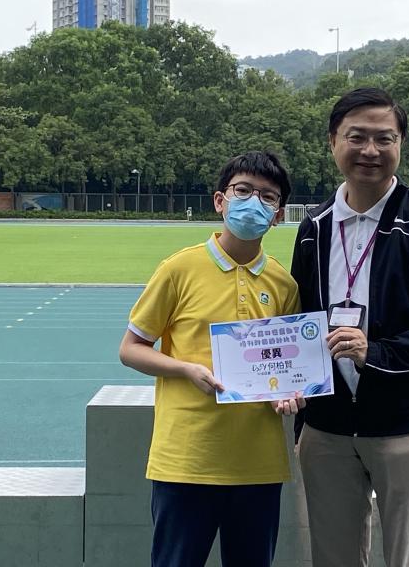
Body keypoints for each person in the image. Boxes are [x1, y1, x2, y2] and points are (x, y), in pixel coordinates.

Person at [290, 88, 409, 567]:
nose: (370, 150)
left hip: (402, 425)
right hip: (325, 427)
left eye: (383, 139)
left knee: (408, 557)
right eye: (357, 137)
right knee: (332, 556)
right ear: (333, 142)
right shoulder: (313, 227)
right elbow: (300, 318)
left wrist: (378, 353)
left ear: (400, 145)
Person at [119, 151, 305, 567]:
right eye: (243, 191)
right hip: (187, 460)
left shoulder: (282, 282)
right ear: (221, 200)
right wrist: (185, 368)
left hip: (258, 464)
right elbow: (131, 349)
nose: (254, 202)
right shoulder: (178, 269)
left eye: (268, 197)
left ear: (278, 214)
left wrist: (290, 394)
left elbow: (288, 366)